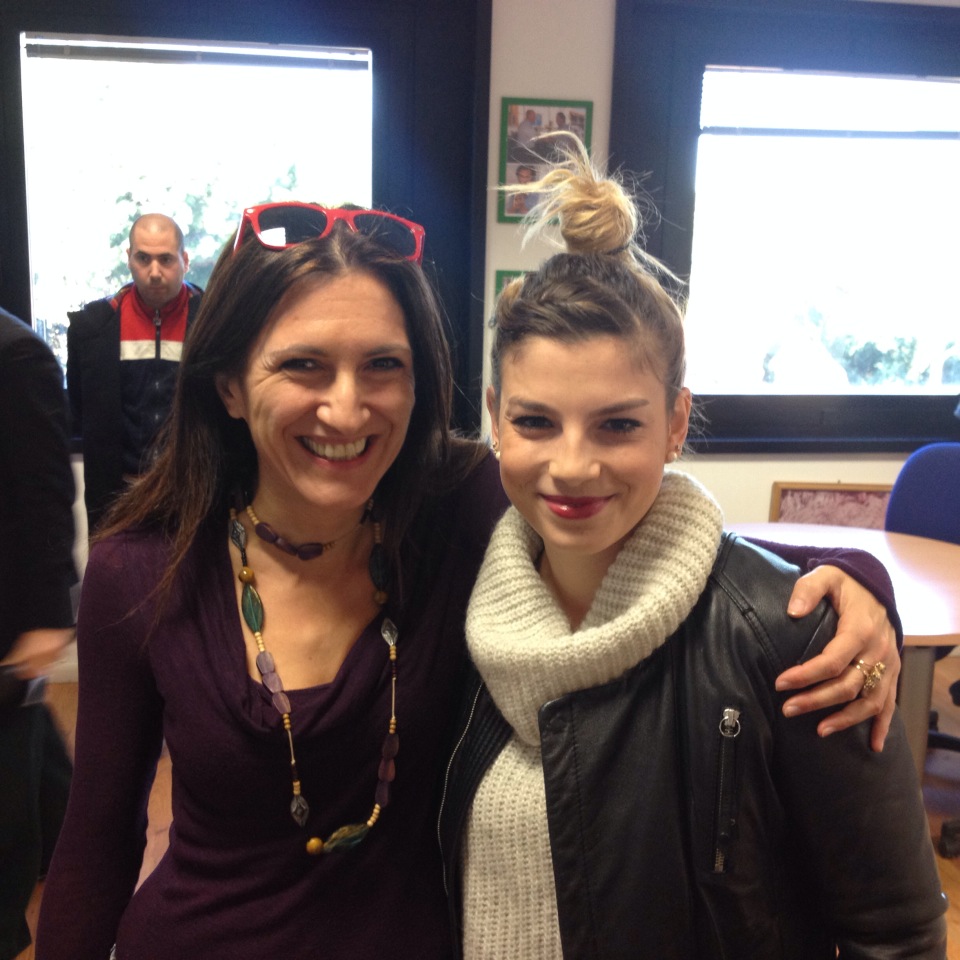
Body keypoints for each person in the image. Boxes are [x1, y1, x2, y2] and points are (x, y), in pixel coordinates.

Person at [39, 200, 902, 960]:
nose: (347, 408)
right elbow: (97, 842)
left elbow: (659, 540)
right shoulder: (141, 570)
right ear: (230, 384)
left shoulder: (457, 508)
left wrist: (853, 582)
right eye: (304, 365)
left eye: (384, 365)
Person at [438, 139, 947, 958]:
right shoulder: (455, 603)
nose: (573, 465)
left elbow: (895, 932)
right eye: (535, 422)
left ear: (675, 422)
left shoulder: (798, 643)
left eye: (618, 424)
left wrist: (859, 583)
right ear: (495, 416)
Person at [0, 307, 76, 960]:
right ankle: (78, 839)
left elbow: (47, 495)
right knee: (32, 747)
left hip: (9, 610)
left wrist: (48, 615)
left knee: (9, 757)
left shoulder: (16, 355)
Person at [67, 213, 202, 533]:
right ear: (129, 258)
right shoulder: (92, 328)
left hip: (193, 497)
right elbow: (80, 410)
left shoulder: (214, 321)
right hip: (116, 499)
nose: (154, 272)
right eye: (143, 258)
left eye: (166, 259)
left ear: (184, 261)